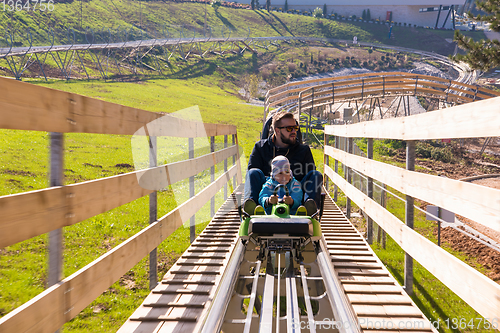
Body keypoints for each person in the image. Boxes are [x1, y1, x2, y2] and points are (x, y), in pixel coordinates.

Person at [243, 111, 323, 214]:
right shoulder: (260, 147)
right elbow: (252, 177)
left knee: (315, 175)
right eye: (289, 128)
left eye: (296, 128)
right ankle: (252, 208)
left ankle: (308, 209)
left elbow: (309, 177)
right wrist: (275, 180)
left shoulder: (303, 150)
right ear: (277, 131)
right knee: (252, 172)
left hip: (295, 191)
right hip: (268, 190)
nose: (294, 131)